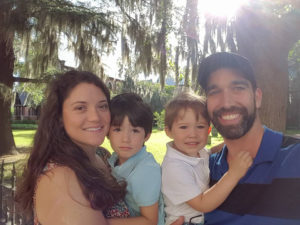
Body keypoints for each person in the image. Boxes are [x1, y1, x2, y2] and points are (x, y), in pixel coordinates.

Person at [197, 52, 300, 225]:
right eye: (215, 91)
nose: (226, 102)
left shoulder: (295, 158)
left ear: (257, 97)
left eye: (238, 88)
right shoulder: (203, 169)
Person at [15, 70, 129, 225]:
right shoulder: (61, 178)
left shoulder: (103, 156)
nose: (95, 117)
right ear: (60, 117)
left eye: (102, 106)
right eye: (80, 108)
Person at [162, 91, 253, 225]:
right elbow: (203, 204)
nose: (192, 134)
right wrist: (233, 174)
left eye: (200, 126)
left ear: (208, 131)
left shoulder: (197, 152)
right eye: (183, 127)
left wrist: (231, 142)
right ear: (168, 131)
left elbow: (209, 152)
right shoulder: (174, 167)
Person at [107, 93, 165, 225]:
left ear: (146, 136)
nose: (126, 138)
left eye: (134, 131)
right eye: (117, 129)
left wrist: (103, 222)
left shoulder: (145, 171)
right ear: (107, 132)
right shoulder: (114, 159)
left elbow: (150, 221)